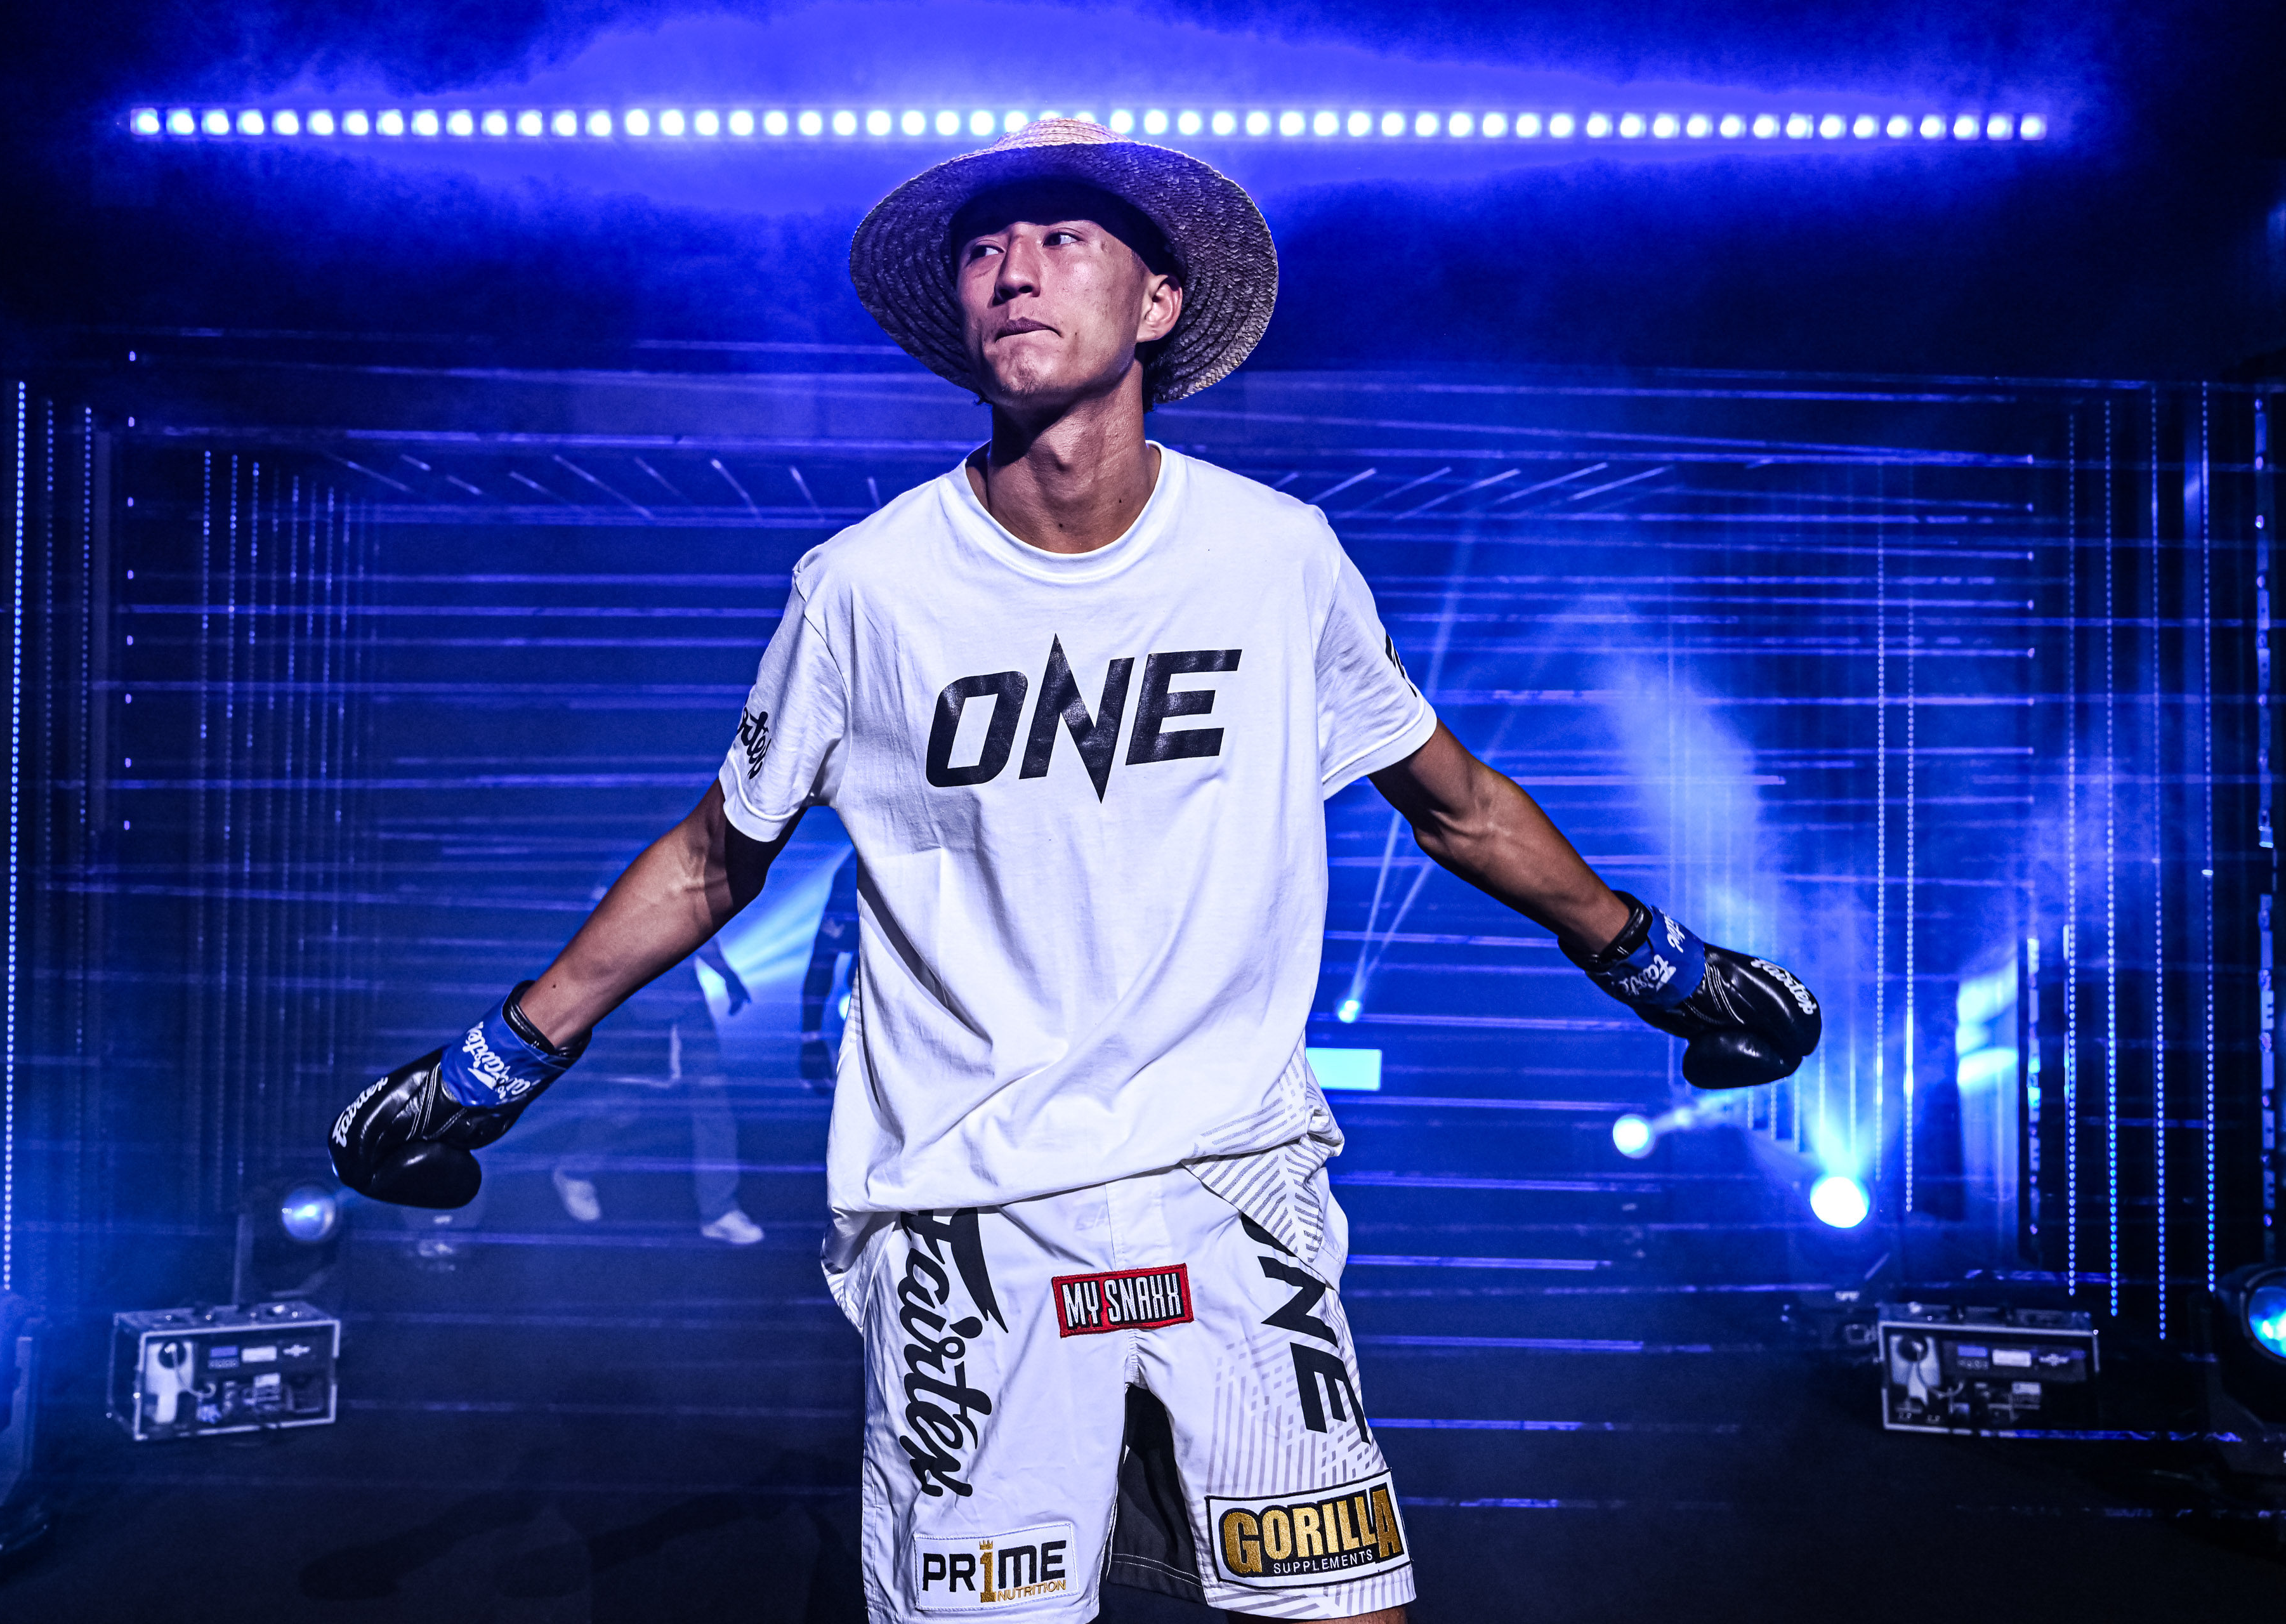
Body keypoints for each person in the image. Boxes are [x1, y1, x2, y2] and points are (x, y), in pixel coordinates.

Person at [331, 119, 1820, 1623]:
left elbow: (1451, 802)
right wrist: (497, 1059)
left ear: (1157, 306)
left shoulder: (1271, 556)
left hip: (1229, 1176)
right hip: (972, 1206)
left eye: (1060, 239)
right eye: (983, 249)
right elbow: (723, 853)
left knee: (1342, 1605)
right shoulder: (866, 588)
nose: (1010, 272)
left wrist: (1664, 965)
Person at [549, 940, 765, 1246]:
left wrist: (727, 975)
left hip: (689, 1007)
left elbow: (699, 921)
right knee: (623, 1106)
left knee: (713, 1105)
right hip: (636, 1005)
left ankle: (719, 1212)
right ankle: (573, 1172)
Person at [798, 851, 859, 1092]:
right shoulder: (851, 879)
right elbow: (822, 961)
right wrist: (810, 1037)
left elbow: (822, 961)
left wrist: (811, 1038)